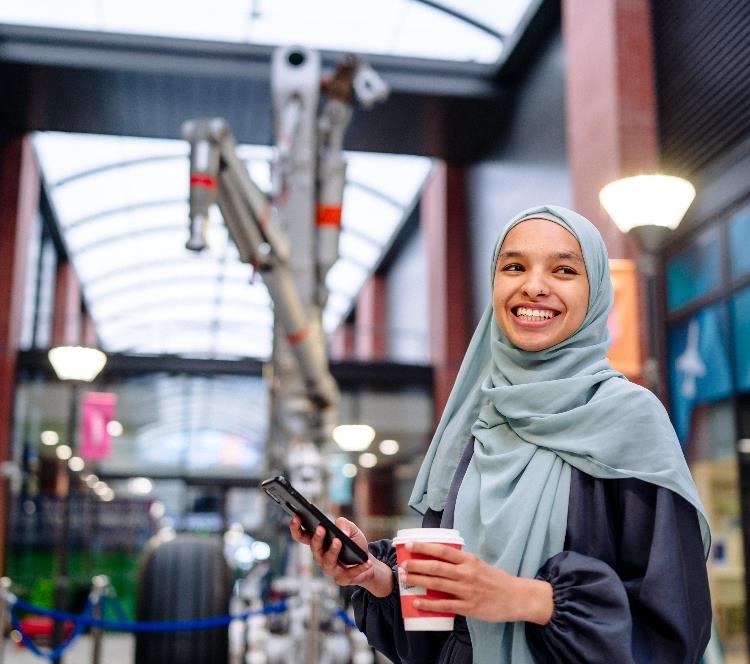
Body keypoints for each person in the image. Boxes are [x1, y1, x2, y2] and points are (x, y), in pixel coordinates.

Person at [290, 205, 712, 663]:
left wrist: (527, 600)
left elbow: (673, 625)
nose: (533, 285)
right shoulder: (479, 422)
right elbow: (446, 619)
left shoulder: (629, 421)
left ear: (595, 293)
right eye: (514, 266)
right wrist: (379, 577)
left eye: (564, 269)